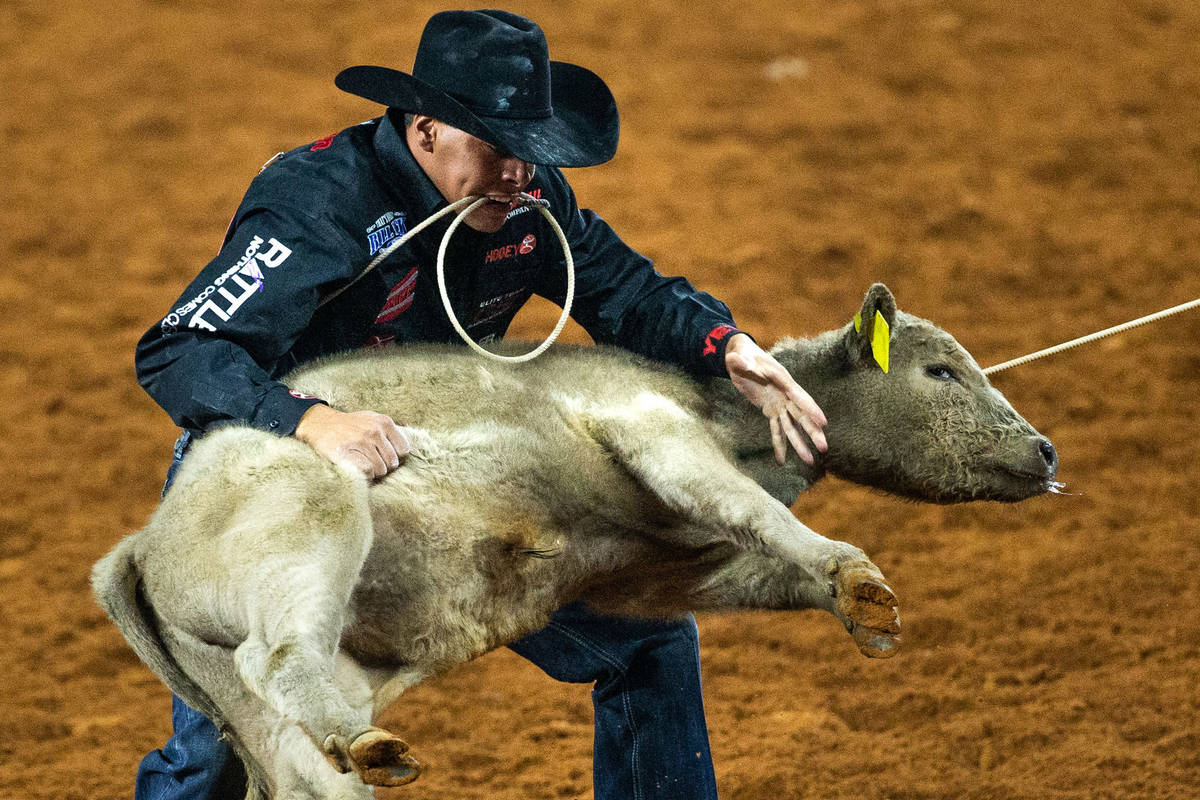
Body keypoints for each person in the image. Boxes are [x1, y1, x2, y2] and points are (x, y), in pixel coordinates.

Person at [132, 10, 828, 800]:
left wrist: (725, 346)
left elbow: (624, 289)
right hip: (272, 485)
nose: (519, 175)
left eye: (531, 153)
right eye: (495, 149)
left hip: (439, 478)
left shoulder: (527, 201)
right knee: (224, 744)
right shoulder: (318, 201)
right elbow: (181, 348)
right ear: (426, 130)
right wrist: (312, 423)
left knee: (646, 640)